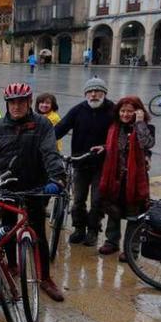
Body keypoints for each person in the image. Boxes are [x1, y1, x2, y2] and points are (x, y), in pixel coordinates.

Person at [0, 83, 66, 302]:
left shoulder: (42, 125)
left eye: (21, 102)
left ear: (29, 102)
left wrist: (58, 177)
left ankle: (45, 277)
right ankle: (13, 265)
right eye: (12, 102)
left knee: (38, 234)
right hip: (5, 186)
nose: (16, 106)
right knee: (7, 228)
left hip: (35, 185)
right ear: (7, 104)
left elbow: (50, 152)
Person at [54, 76, 115, 247]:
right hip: (80, 162)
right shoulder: (78, 110)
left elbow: (120, 134)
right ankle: (79, 228)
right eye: (90, 91)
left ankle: (93, 230)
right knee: (78, 199)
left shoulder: (113, 110)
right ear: (86, 94)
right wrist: (45, 142)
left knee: (97, 200)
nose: (94, 94)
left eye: (97, 91)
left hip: (102, 164)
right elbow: (60, 128)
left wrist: (106, 146)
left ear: (104, 93)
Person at [98, 96, 155, 258]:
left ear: (138, 112)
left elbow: (147, 144)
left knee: (135, 215)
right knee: (113, 211)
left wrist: (140, 122)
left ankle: (132, 248)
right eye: (123, 111)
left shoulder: (147, 127)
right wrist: (103, 148)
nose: (125, 114)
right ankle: (111, 242)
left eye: (130, 111)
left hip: (135, 180)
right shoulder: (114, 128)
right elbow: (113, 147)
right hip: (115, 178)